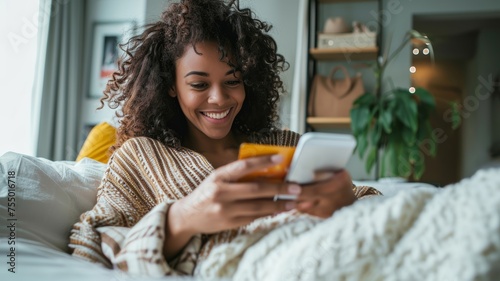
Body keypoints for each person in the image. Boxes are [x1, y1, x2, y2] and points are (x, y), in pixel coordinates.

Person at [69, 0, 380, 276]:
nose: (219, 99)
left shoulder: (286, 146)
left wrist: (346, 203)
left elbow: (376, 206)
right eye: (199, 85)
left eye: (232, 81)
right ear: (171, 85)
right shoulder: (140, 157)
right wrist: (184, 218)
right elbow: (93, 245)